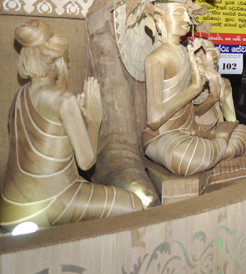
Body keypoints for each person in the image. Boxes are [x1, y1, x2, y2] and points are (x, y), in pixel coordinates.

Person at [1, 20, 143, 231]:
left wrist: (78, 119)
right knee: (135, 203)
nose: (67, 67)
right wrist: (94, 118)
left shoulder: (19, 96)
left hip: (10, 207)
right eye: (66, 61)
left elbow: (46, 147)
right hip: (54, 200)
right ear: (58, 62)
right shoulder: (63, 100)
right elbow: (86, 162)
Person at [143, 0, 240, 177]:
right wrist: (195, 88)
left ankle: (218, 141)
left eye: (187, 14)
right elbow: (154, 120)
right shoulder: (155, 59)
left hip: (190, 133)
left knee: (244, 134)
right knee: (186, 159)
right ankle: (221, 140)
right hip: (164, 138)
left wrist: (213, 96)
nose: (187, 19)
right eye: (179, 13)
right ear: (160, 17)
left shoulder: (186, 53)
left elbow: (194, 111)